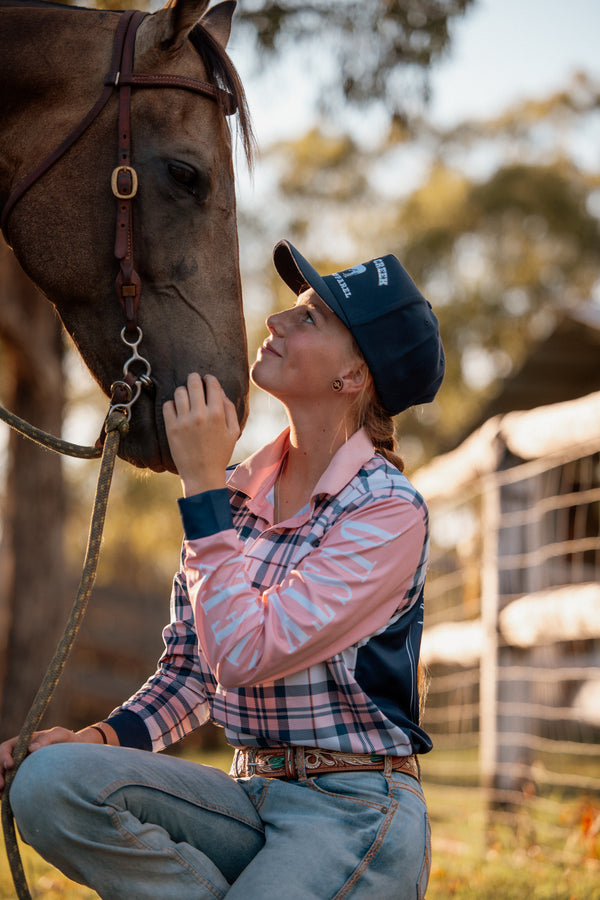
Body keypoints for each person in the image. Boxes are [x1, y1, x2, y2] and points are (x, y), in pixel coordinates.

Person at [1, 240, 444, 900]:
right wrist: (93, 736)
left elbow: (242, 653)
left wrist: (202, 486)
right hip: (245, 795)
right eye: (293, 308)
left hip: (353, 811)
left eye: (311, 318)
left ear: (352, 377)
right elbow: (192, 674)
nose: (276, 321)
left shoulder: (386, 512)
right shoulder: (235, 496)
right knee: (49, 781)